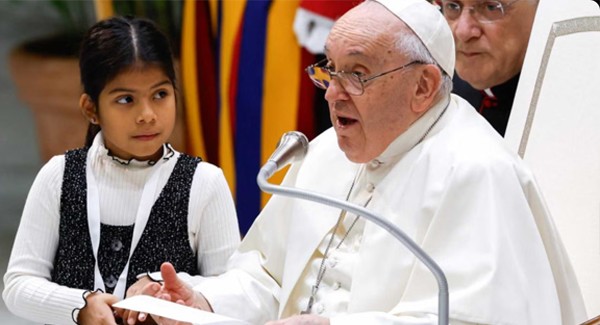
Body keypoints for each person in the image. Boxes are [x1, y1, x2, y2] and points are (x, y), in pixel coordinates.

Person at [137, 0, 586, 324]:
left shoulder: (477, 172)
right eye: (328, 69)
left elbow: (473, 319)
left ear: (423, 87)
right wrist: (203, 300)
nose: (332, 93)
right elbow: (268, 276)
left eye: (357, 74)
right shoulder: (327, 153)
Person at [2, 16, 240, 325]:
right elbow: (18, 286)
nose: (147, 115)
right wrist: (79, 306)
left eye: (160, 95)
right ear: (91, 109)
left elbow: (234, 292)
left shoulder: (204, 183)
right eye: (126, 99)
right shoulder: (59, 177)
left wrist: (176, 288)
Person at [439, 0, 539, 136]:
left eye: (491, 7)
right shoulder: (435, 91)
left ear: (540, 11)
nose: (463, 32)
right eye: (452, 6)